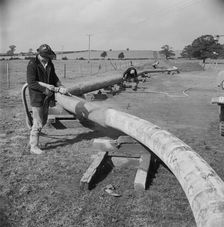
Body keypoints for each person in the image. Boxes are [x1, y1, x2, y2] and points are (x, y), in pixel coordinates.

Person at [27, 44, 68, 154]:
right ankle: (34, 147)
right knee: (38, 122)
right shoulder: (32, 64)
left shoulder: (49, 63)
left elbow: (54, 78)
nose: (48, 58)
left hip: (47, 97)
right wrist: (45, 90)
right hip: (37, 97)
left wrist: (61, 86)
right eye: (47, 56)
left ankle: (31, 141)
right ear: (40, 55)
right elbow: (31, 83)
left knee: (43, 121)